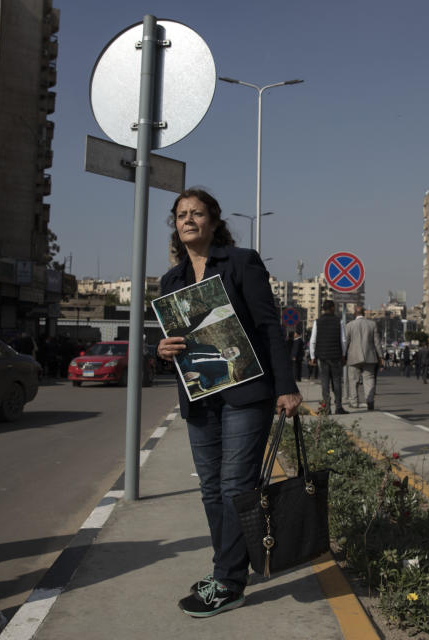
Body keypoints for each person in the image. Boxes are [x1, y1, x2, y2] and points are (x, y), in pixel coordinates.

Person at [156, 188, 301, 618]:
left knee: (237, 486)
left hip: (244, 392)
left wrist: (286, 386)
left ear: (214, 222)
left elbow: (269, 326)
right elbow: (171, 344)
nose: (188, 220)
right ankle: (227, 570)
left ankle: (228, 580)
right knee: (210, 488)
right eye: (181, 215)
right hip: (200, 396)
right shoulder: (171, 281)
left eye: (196, 213)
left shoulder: (241, 263)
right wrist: (161, 351)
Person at [309, 300, 347, 415]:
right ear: (332, 308)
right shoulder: (338, 321)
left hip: (322, 357)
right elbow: (343, 340)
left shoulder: (317, 322)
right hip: (336, 357)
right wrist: (344, 355)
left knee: (325, 383)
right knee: (337, 382)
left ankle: (326, 408)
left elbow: (313, 340)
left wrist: (312, 356)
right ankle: (339, 407)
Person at [345, 307, 383, 410]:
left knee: (353, 380)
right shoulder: (372, 324)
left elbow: (346, 343)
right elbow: (377, 343)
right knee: (369, 379)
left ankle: (354, 402)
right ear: (364, 313)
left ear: (354, 314)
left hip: (353, 357)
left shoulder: (349, 325)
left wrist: (344, 356)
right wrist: (380, 357)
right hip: (369, 357)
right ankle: (370, 401)